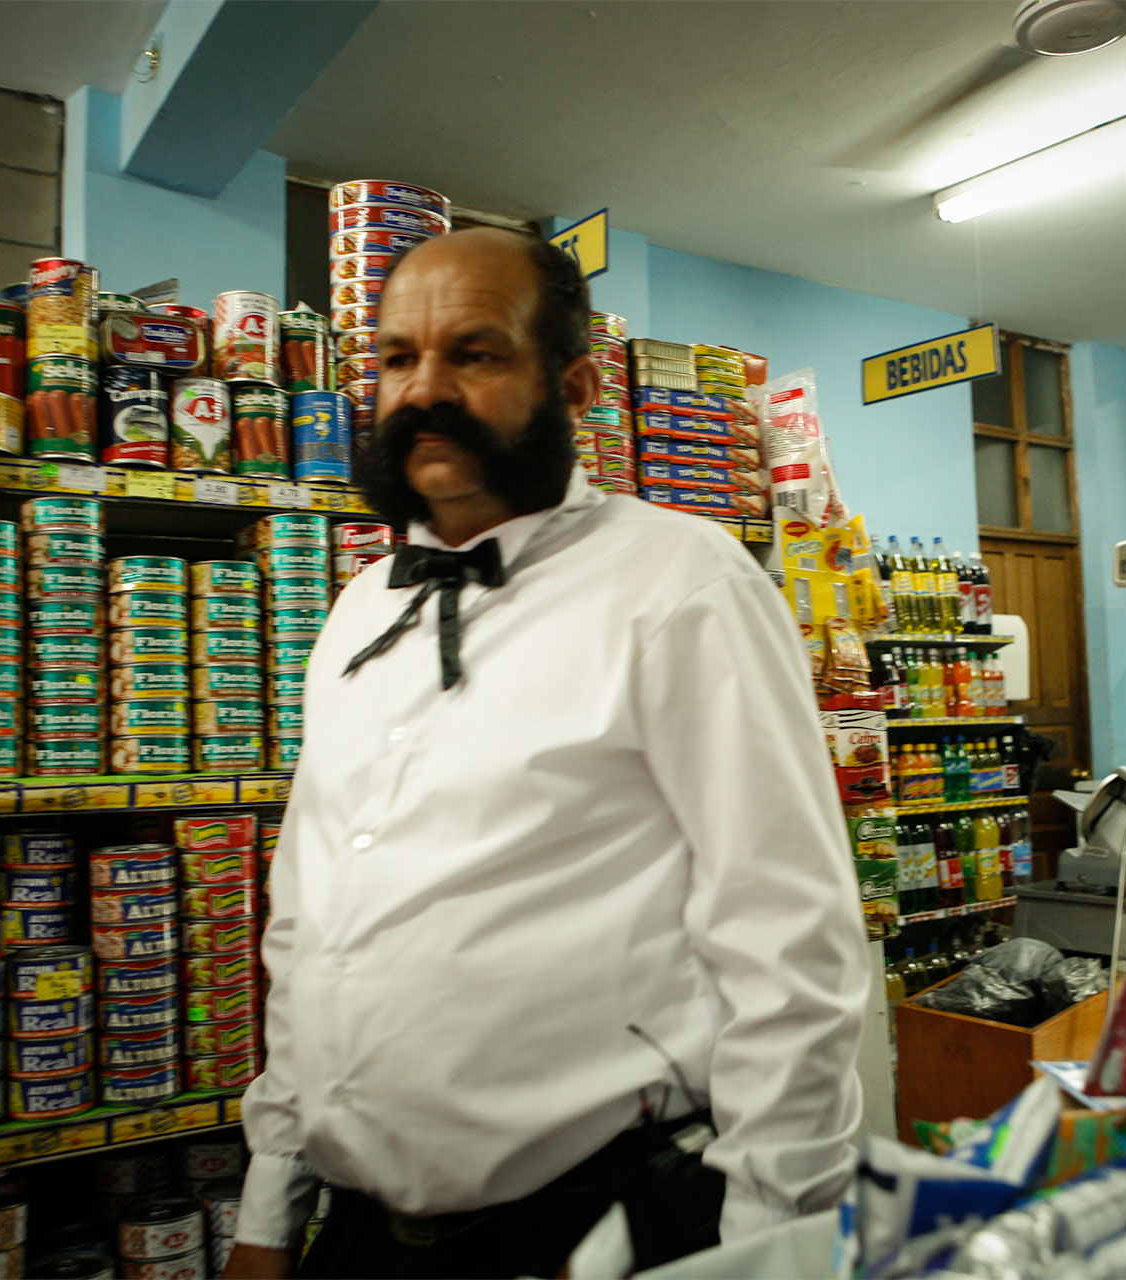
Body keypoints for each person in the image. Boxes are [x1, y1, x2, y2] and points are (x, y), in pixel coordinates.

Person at [223, 228, 867, 1280]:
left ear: (570, 386)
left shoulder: (678, 582)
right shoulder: (353, 612)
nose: (423, 389)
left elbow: (790, 937)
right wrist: (268, 1204)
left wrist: (769, 1247)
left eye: (473, 353)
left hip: (589, 1230)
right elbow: (309, 921)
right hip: (354, 1236)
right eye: (395, 357)